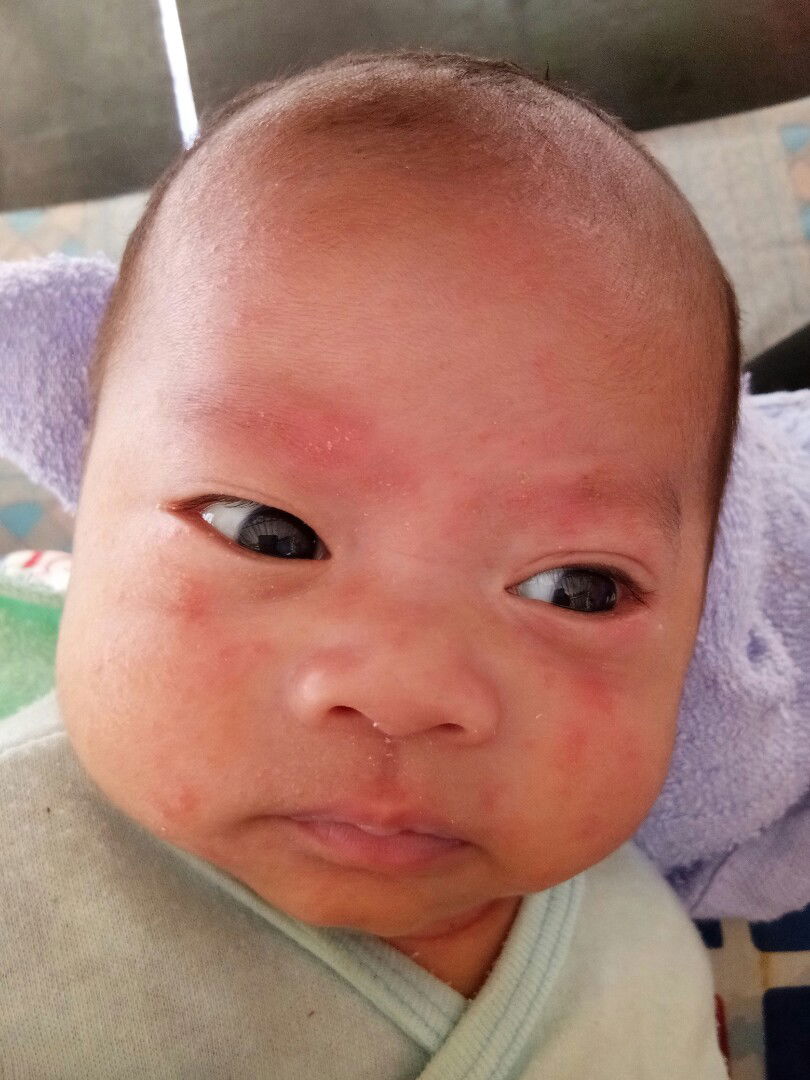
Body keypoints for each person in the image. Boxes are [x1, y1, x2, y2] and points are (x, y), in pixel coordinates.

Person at [0, 50, 745, 1076]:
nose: (405, 689)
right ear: (89, 488)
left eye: (576, 589)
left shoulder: (647, 967)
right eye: (268, 532)